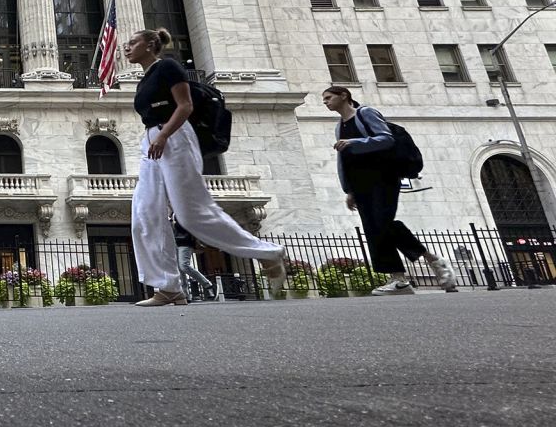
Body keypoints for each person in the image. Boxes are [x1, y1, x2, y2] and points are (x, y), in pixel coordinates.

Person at [125, 28, 286, 306]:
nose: (126, 48)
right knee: (144, 212)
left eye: (132, 43)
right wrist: (155, 137)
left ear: (151, 44)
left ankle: (267, 252)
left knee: (191, 214)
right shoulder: (144, 79)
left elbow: (185, 105)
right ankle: (168, 287)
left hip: (174, 138)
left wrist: (164, 136)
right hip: (151, 141)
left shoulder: (168, 67)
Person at [323, 86, 457, 294]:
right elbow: (346, 160)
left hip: (383, 177)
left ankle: (432, 261)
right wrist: (349, 190)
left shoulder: (365, 113)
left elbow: (386, 138)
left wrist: (354, 142)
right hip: (360, 184)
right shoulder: (339, 126)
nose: (325, 102)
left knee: (382, 223)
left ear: (344, 96)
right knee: (374, 229)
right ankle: (400, 278)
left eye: (328, 97)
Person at [172, 217, 215, 301]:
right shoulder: (171, 214)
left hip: (185, 242)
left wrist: (173, 223)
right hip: (174, 244)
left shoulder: (181, 211)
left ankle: (208, 285)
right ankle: (185, 295)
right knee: (179, 270)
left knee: (184, 266)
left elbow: (187, 226)